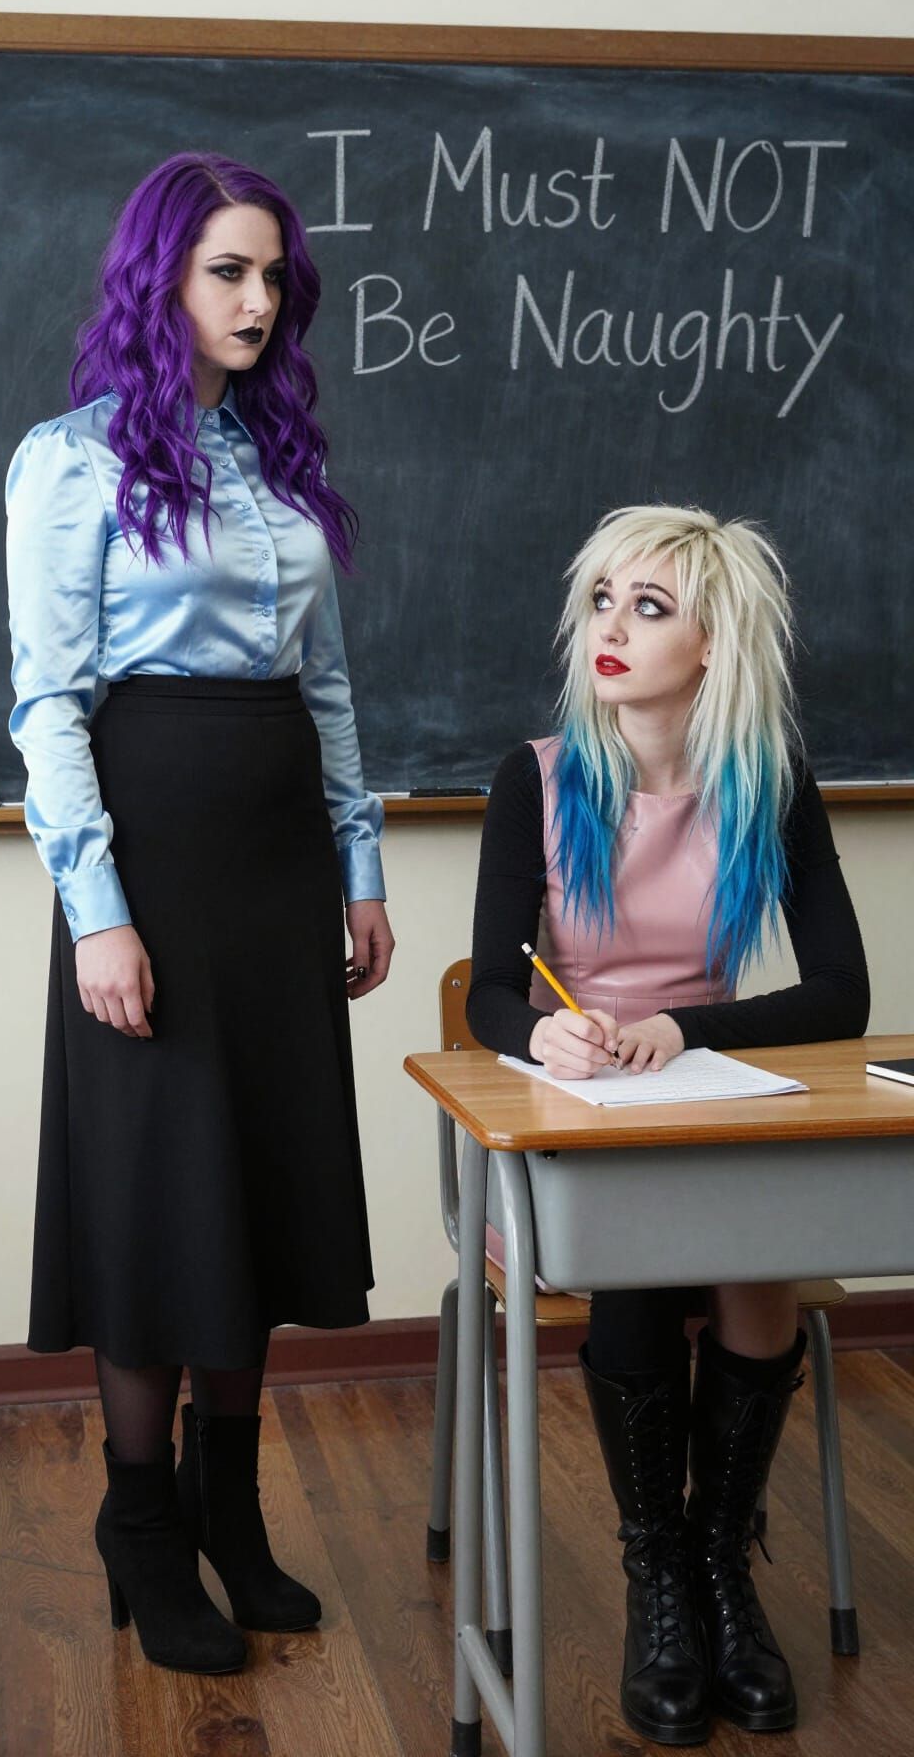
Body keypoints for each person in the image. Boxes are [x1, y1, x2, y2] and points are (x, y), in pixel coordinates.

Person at [6, 153, 395, 1676]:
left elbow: (332, 684)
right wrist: (95, 911)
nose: (258, 298)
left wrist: (360, 869)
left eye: (273, 276)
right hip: (151, 850)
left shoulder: (283, 464)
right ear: (163, 279)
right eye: (228, 271)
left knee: (261, 1184)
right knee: (157, 1195)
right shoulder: (72, 458)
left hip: (280, 854)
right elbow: (46, 704)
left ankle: (235, 1519)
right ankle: (146, 1530)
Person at [467, 505, 868, 1746]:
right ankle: (661, 1582)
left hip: (697, 1093)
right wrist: (541, 1031)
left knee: (755, 1256)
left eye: (650, 608)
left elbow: (842, 995)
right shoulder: (531, 778)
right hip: (567, 1121)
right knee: (644, 1259)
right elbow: (488, 989)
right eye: (602, 600)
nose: (612, 628)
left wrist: (687, 1032)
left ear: (712, 646)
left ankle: (717, 1566)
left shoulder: (771, 783)